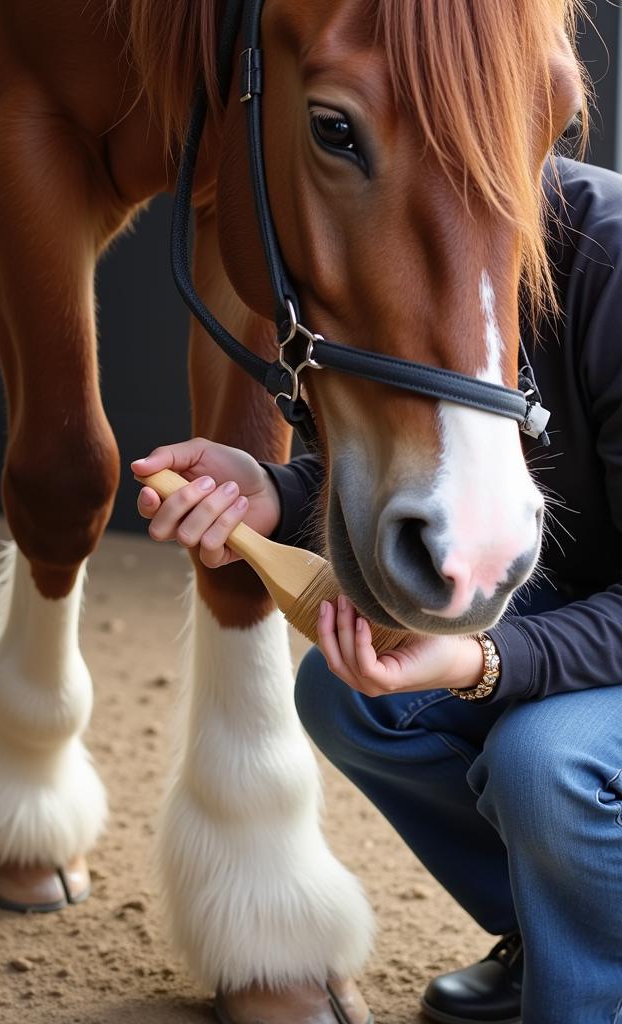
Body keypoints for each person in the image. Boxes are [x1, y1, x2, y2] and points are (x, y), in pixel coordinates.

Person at [132, 156, 622, 1024]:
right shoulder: (406, 227)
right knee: (349, 695)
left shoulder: (607, 263)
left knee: (546, 763)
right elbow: (468, 459)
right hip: (593, 590)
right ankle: (557, 934)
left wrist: (483, 660)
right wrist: (279, 494)